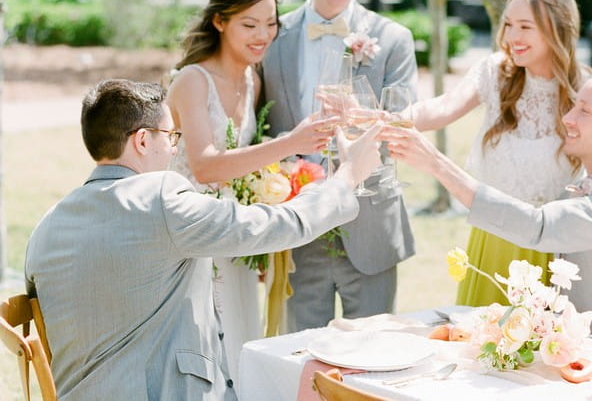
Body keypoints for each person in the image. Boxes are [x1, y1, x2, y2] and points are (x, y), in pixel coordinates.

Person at [24, 79, 380, 400]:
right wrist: (346, 178)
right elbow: (272, 225)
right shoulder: (159, 198)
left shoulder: (47, 225)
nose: (175, 149)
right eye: (171, 136)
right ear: (143, 140)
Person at [383, 74, 592, 342]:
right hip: (580, 352)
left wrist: (437, 164)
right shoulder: (581, 182)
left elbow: (541, 227)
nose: (567, 119)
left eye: (584, 111)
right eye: (573, 107)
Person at [166, 0, 334, 380]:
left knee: (239, 347)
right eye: (250, 24)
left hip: (235, 236)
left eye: (271, 24)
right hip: (190, 240)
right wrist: (292, 142)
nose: (263, 36)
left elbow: (246, 164)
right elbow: (205, 166)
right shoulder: (192, 80)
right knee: (199, 357)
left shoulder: (251, 78)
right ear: (220, 21)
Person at [261, 0, 418, 332]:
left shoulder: (393, 39)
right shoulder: (272, 36)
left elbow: (404, 120)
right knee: (298, 357)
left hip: (369, 227)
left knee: (370, 363)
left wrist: (362, 116)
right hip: (298, 226)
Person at [409, 0, 587, 306]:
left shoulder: (585, 89)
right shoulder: (495, 73)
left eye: (524, 26)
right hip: (495, 236)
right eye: (507, 24)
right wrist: (380, 117)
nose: (512, 37)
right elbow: (442, 107)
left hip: (554, 248)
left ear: (556, 28)